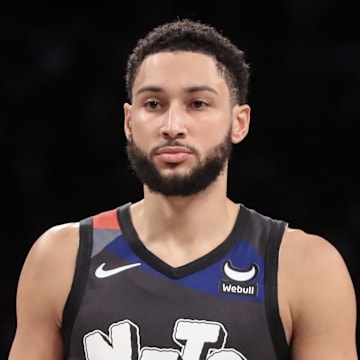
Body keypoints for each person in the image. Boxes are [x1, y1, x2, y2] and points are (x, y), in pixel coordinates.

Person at [8, 18, 358, 360]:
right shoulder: (60, 258)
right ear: (129, 122)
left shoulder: (306, 268)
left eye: (198, 104)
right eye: (154, 105)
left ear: (239, 123)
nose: (173, 126)